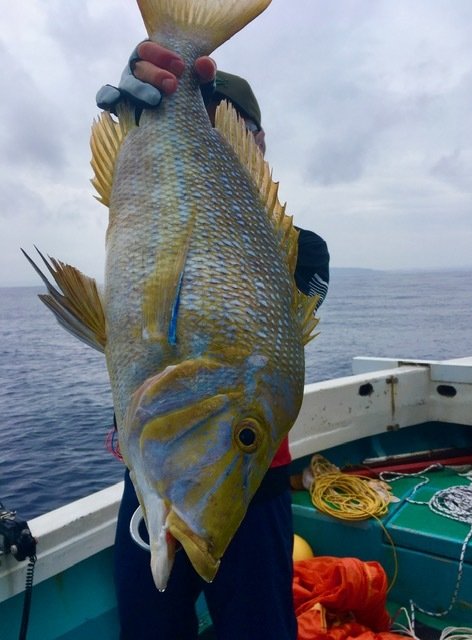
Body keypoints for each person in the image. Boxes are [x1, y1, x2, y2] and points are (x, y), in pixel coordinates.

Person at [98, 41, 330, 640]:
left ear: (258, 139)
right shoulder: (158, 209)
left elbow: (264, 330)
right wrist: (136, 122)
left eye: (233, 121)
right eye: (209, 115)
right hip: (150, 477)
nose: (220, 131)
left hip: (251, 490)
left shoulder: (305, 250)